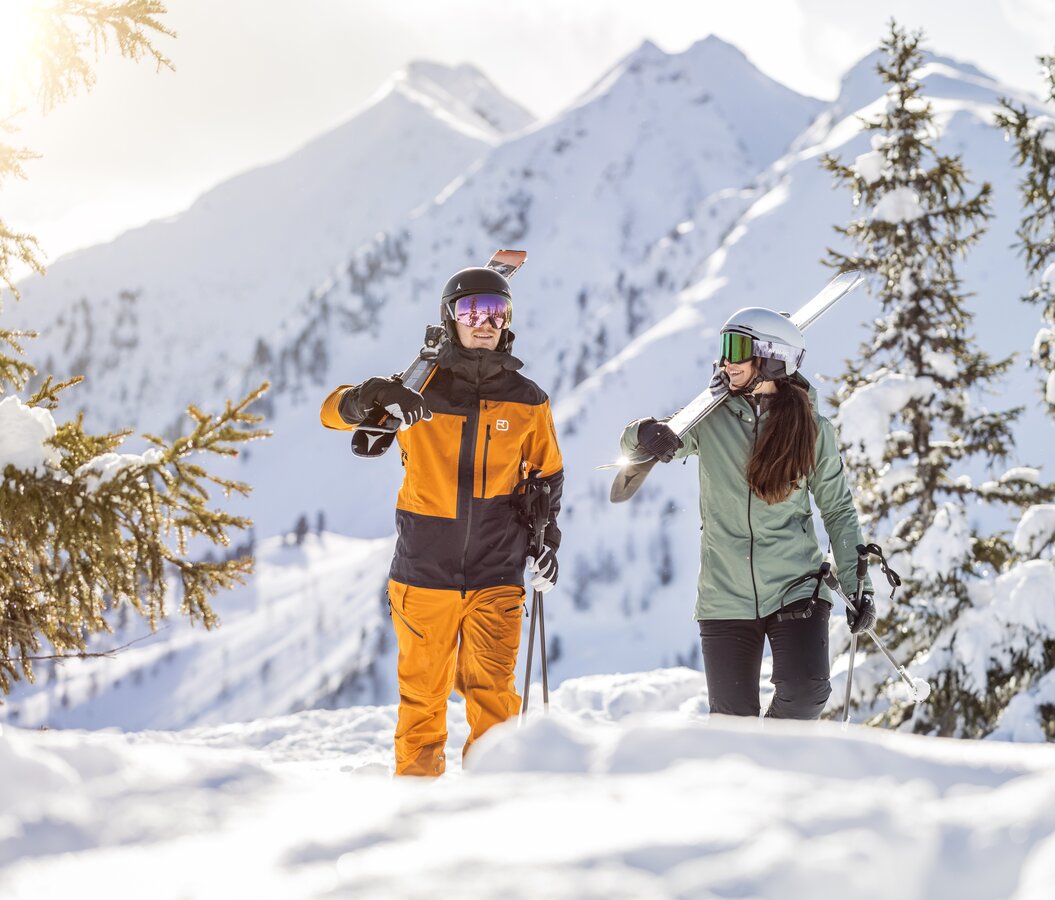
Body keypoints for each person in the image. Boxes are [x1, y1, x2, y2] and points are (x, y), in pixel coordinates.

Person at [320, 265, 564, 776]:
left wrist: (546, 542)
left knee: (495, 699)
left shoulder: (528, 399)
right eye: (472, 311)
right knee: (423, 702)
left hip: (497, 572)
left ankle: (489, 801)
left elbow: (548, 474)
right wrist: (370, 395)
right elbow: (331, 413)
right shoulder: (416, 390)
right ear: (450, 318)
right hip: (424, 572)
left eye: (496, 312)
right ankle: (417, 803)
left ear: (508, 320)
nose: (485, 323)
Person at [619, 307, 874, 720]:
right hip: (725, 594)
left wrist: (858, 587)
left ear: (771, 358)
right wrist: (646, 432)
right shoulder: (710, 419)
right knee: (731, 720)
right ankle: (751, 758)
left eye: (737, 349)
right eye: (724, 348)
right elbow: (637, 445)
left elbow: (838, 509)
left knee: (806, 692)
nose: (726, 361)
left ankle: (770, 751)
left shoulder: (812, 429)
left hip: (796, 584)